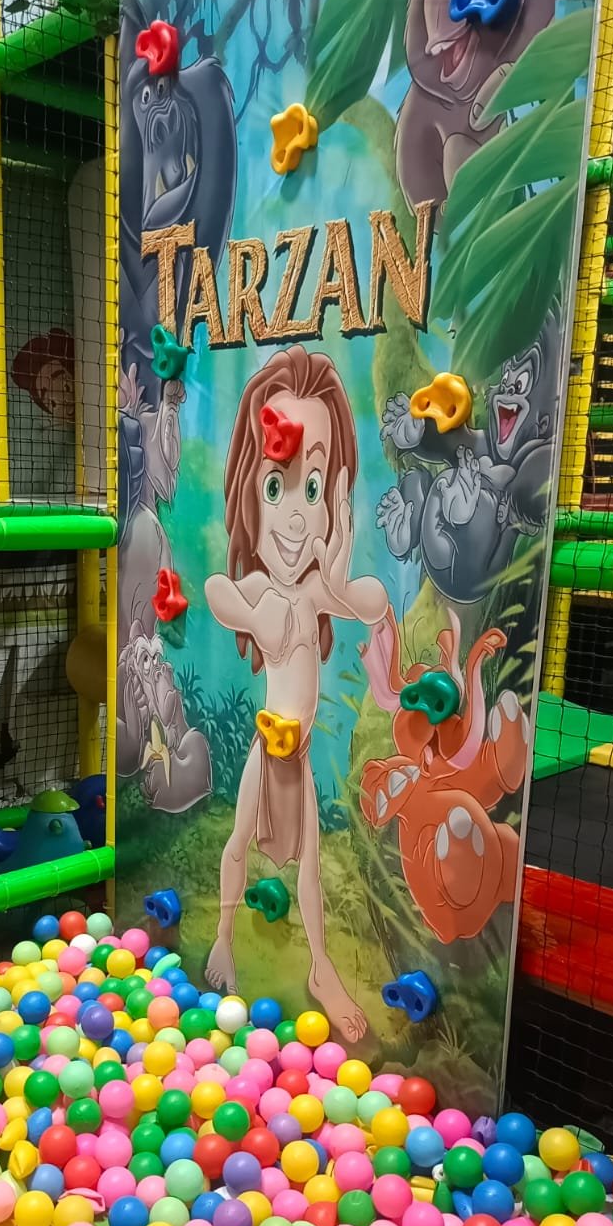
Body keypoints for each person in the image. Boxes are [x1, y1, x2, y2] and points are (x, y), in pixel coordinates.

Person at [205, 346, 388, 1042]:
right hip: (268, 745)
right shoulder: (264, 589)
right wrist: (256, 619)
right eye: (275, 488)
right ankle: (223, 938)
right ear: (249, 496)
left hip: (300, 752)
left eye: (311, 490)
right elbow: (218, 590)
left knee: (309, 863)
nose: (293, 518)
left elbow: (371, 604)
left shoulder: (314, 591)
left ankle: (320, 967)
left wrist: (335, 576)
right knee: (237, 841)